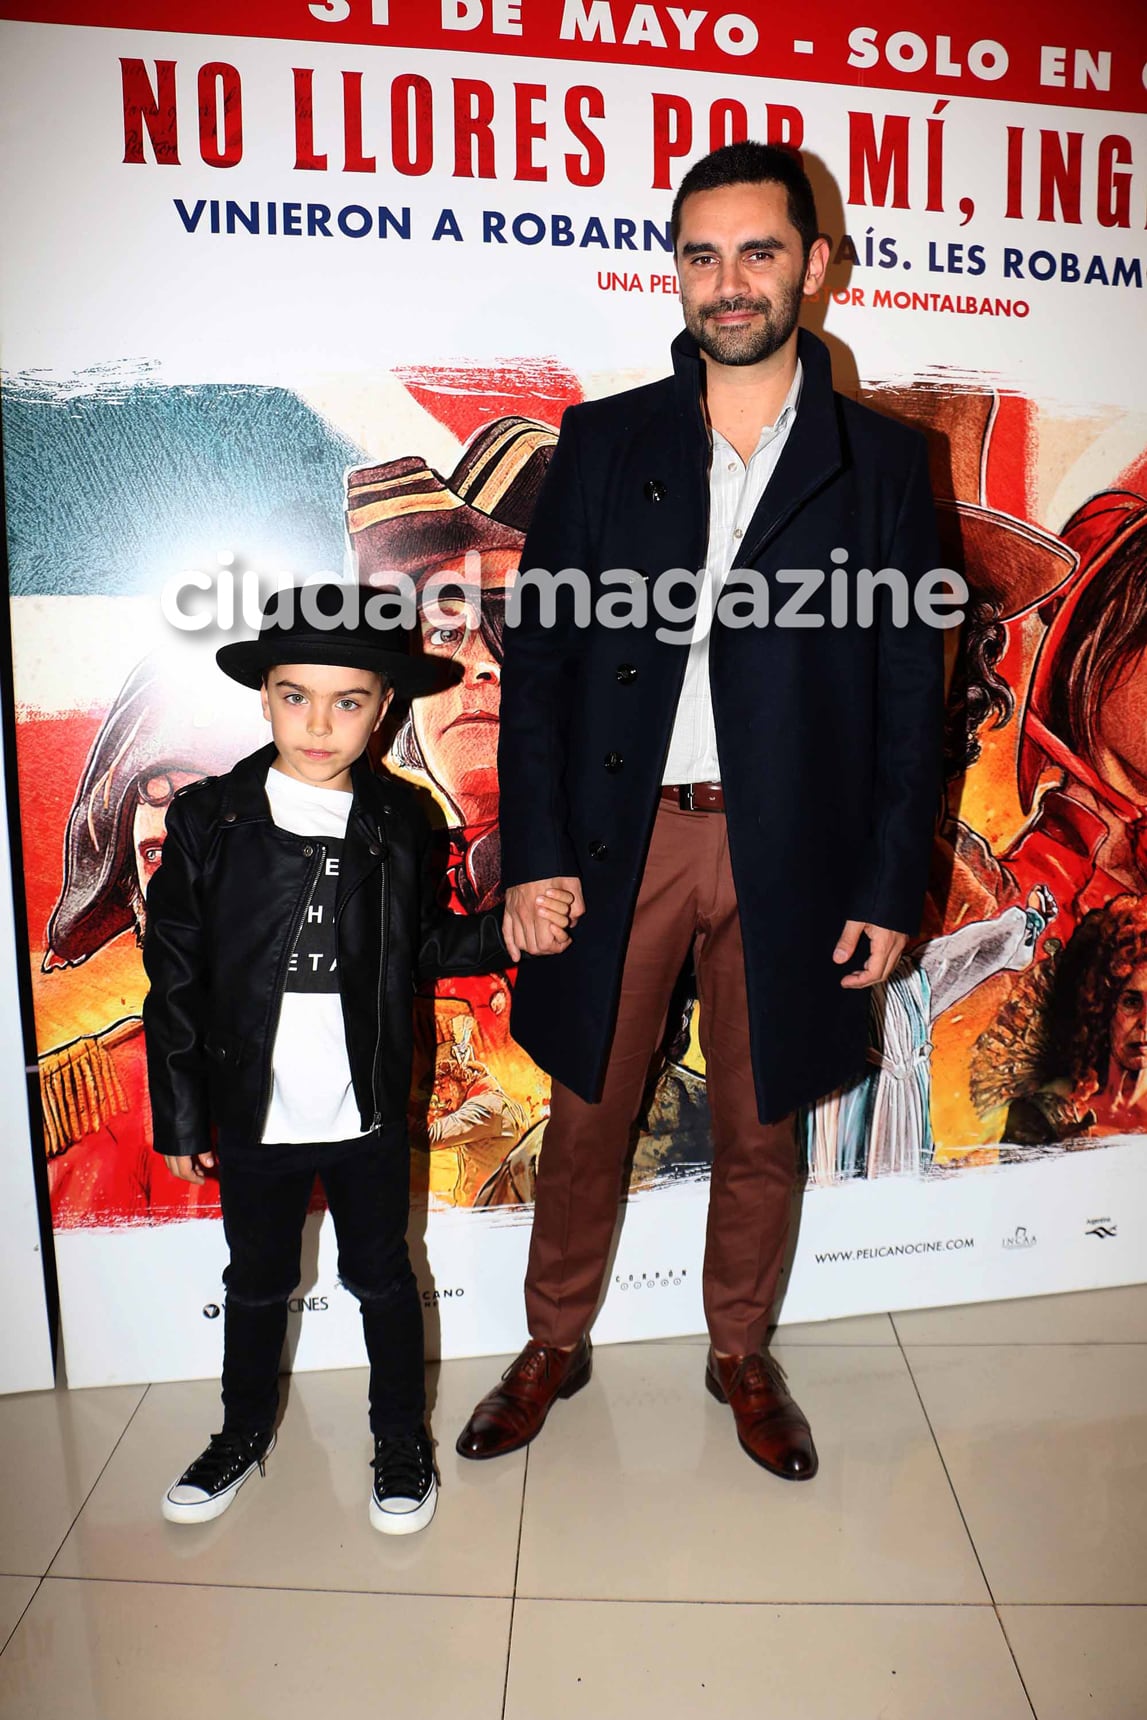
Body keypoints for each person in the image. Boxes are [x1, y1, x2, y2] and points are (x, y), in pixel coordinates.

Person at [456, 141, 946, 1481]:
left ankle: (739, 1352)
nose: (728, 283)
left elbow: (914, 694)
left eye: (758, 251)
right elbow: (543, 658)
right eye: (701, 254)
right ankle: (552, 1341)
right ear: (674, 271)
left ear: (814, 266)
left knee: (757, 1120)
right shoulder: (606, 441)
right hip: (624, 843)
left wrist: (887, 880)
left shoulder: (884, 464)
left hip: (794, 850)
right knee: (587, 1110)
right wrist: (535, 854)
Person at [142, 583, 572, 1532]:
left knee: (381, 1276)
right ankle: (240, 1431)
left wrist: (504, 930)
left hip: (364, 1105)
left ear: (384, 706)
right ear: (264, 696)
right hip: (256, 1108)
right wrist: (179, 1110)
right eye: (297, 695)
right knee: (255, 1281)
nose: (320, 723)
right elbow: (172, 978)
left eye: (349, 701)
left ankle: (399, 1440)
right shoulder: (211, 820)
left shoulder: (398, 817)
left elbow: (419, 947)